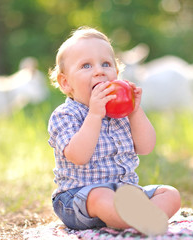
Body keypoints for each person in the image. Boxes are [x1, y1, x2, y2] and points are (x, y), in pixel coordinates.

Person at [48, 26, 181, 236]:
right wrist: (94, 115)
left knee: (170, 193)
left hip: (126, 192)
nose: (99, 71)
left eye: (106, 64)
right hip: (79, 198)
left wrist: (135, 112)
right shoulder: (65, 115)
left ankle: (144, 218)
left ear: (116, 75)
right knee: (100, 195)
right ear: (66, 83)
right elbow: (79, 156)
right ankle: (136, 221)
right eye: (86, 66)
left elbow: (146, 147)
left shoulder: (122, 112)